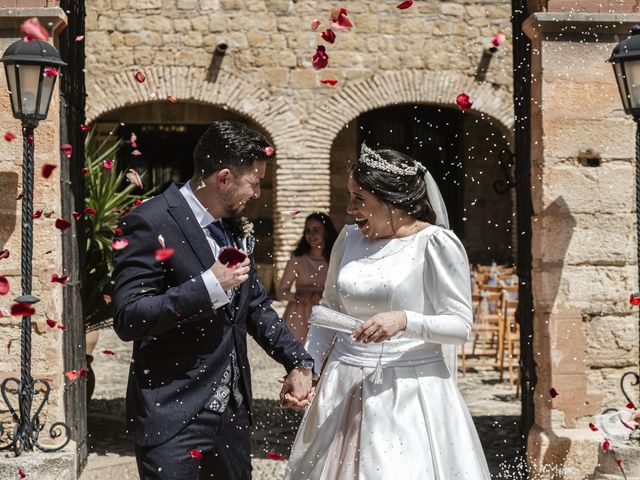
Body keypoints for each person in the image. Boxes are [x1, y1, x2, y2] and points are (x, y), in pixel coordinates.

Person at [111, 121, 314, 480]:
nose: (257, 192)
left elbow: (254, 307)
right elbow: (130, 317)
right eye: (254, 182)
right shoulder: (149, 221)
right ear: (223, 179)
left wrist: (298, 362)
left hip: (231, 415)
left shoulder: (233, 225)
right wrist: (207, 287)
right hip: (172, 413)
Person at [285, 144, 490, 479]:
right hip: (343, 382)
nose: (350, 209)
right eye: (349, 196)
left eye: (360, 199)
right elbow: (330, 310)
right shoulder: (348, 239)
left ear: (392, 200)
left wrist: (405, 320)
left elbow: (460, 325)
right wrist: (307, 367)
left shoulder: (435, 243)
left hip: (409, 390)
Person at [278, 212, 338, 344]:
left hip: (326, 316)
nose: (310, 235)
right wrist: (297, 297)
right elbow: (281, 292)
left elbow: (341, 292)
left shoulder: (336, 259)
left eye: (316, 230)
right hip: (298, 317)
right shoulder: (297, 258)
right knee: (298, 361)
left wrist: (322, 296)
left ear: (326, 232)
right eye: (307, 231)